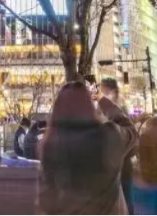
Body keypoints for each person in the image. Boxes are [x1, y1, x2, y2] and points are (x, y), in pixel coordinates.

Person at [37, 81, 137, 215]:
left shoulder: (51, 145)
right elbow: (130, 130)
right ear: (89, 106)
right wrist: (102, 99)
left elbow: (47, 200)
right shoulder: (107, 136)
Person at [100, 78, 135, 215]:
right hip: (109, 170)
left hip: (122, 168)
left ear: (114, 92)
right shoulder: (103, 111)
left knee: (125, 202)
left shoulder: (120, 112)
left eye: (105, 92)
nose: (102, 95)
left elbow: (131, 141)